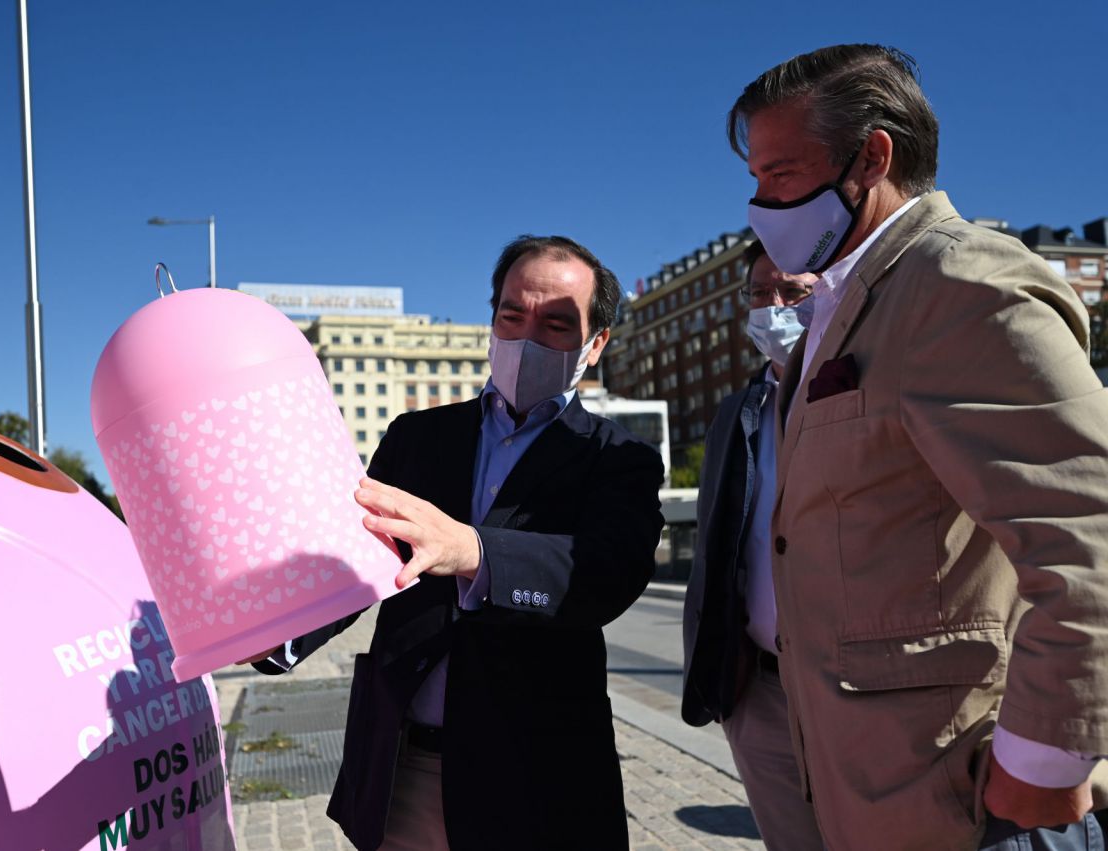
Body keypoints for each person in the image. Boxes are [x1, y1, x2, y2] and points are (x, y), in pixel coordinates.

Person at [727, 43, 1108, 850]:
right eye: (755, 178)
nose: (760, 203)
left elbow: (1090, 532)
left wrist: (1043, 759)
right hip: (874, 791)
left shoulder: (960, 282)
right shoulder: (843, 304)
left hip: (974, 804)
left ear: (872, 157)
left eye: (781, 174)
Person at [251, 234, 664, 851]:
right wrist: (271, 630)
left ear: (596, 343)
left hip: (536, 780)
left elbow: (606, 573)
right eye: (511, 315)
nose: (526, 338)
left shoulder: (616, 457)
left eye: (555, 323)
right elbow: (358, 555)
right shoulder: (417, 437)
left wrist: (474, 552)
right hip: (403, 767)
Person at [681, 240, 824, 850]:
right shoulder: (737, 411)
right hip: (760, 695)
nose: (774, 308)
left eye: (793, 292)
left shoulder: (882, 386)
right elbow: (719, 549)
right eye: (760, 294)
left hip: (856, 694)